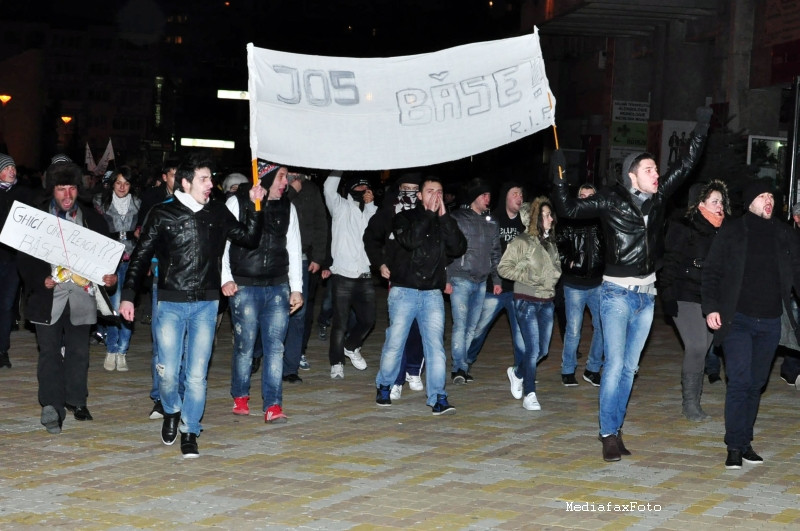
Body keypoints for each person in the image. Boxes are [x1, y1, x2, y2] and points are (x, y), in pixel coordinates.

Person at [551, 105, 711, 462]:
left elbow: (685, 166)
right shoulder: (610, 199)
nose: (657, 174)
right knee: (615, 364)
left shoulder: (657, 201)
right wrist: (559, 171)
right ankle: (608, 432)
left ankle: (616, 426)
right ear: (632, 176)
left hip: (646, 297)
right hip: (616, 295)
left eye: (657, 169)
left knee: (629, 368)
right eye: (650, 170)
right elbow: (568, 210)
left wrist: (702, 125)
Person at [119, 153, 265, 458]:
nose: (210, 184)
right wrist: (129, 294)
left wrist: (254, 204)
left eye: (211, 178)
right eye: (204, 179)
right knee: (169, 374)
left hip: (206, 305)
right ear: (185, 183)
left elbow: (249, 238)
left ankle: (191, 429)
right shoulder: (162, 213)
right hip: (171, 303)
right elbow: (141, 256)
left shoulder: (218, 211)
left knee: (197, 374)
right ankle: (172, 409)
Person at [702, 179, 800, 469]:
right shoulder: (732, 231)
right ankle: (734, 444)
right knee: (740, 381)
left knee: (756, 383)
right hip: (738, 320)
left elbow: (797, 273)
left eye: (772, 195)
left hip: (770, 321)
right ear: (749, 201)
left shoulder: (784, 234)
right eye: (762, 195)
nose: (769, 199)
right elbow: (711, 272)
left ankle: (745, 442)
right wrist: (711, 308)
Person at [18, 161, 118, 433]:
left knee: (79, 352)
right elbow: (24, 259)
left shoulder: (93, 219)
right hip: (47, 297)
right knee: (49, 352)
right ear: (52, 190)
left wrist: (111, 278)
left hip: (81, 297)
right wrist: (41, 279)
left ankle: (77, 399)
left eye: (71, 188)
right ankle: (51, 406)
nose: (66, 195)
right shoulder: (37, 219)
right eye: (61, 189)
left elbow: (106, 260)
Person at [374, 176, 466, 414]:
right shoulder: (404, 217)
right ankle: (384, 385)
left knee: (435, 347)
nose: (435, 195)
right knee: (395, 343)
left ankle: (438, 397)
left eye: (440, 191)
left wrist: (444, 217)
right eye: (430, 191)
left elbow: (458, 247)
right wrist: (428, 214)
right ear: (421, 196)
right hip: (404, 291)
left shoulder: (444, 222)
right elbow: (410, 240)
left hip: (432, 294)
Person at [221, 163, 302, 423]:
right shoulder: (238, 202)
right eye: (280, 177)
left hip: (277, 286)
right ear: (265, 178)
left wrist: (296, 288)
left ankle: (273, 405)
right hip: (244, 286)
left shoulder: (288, 208)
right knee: (244, 347)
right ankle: (241, 395)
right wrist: (226, 279)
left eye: (287, 178)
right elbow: (222, 243)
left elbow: (294, 247)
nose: (285, 183)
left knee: (275, 348)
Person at [661, 180, 730, 421]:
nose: (720, 206)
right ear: (700, 204)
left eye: (721, 201)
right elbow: (669, 262)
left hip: (711, 300)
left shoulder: (724, 230)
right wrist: (667, 295)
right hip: (685, 295)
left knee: (705, 348)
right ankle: (690, 403)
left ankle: (695, 400)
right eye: (714, 201)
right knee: (697, 346)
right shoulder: (684, 227)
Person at [364, 172, 425, 399]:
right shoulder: (389, 211)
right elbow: (371, 237)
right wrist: (379, 264)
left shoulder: (426, 211)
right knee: (399, 331)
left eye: (414, 188)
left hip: (424, 280)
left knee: (420, 330)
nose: (409, 193)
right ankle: (396, 379)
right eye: (405, 188)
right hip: (399, 279)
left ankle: (413, 370)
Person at [497, 197, 561, 411]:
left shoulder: (550, 243)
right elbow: (503, 268)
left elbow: (556, 266)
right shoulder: (522, 242)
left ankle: (516, 373)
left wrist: (554, 276)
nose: (551, 219)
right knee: (532, 350)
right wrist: (527, 276)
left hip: (547, 300)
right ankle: (530, 393)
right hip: (526, 300)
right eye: (546, 215)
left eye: (551, 215)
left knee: (542, 350)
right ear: (535, 218)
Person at [465, 182, 526, 373]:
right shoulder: (492, 219)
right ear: (505, 197)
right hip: (495, 286)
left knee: (521, 334)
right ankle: (464, 364)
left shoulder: (526, 222)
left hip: (519, 287)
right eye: (515, 193)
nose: (519, 198)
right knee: (479, 328)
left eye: (521, 194)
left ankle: (521, 372)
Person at [447, 178, 502, 383]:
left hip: (481, 281)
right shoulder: (458, 218)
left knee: (471, 327)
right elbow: (448, 250)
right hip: (460, 278)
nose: (488, 199)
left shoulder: (492, 222)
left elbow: (496, 253)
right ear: (474, 198)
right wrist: (446, 279)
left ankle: (463, 366)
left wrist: (496, 280)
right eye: (483, 195)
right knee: (460, 325)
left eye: (489, 195)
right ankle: (457, 369)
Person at [323, 171, 377, 379]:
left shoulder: (372, 210)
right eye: (358, 188)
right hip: (343, 275)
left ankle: (351, 346)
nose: (362, 191)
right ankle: (336, 363)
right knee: (340, 323)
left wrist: (371, 205)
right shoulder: (339, 206)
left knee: (368, 320)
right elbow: (329, 187)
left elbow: (375, 232)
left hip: (364, 275)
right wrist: (341, 164)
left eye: (366, 188)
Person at [138, 158, 179, 420]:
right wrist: (153, 262)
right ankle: (160, 397)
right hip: (162, 280)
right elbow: (149, 239)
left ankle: (181, 395)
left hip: (191, 284)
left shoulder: (203, 206)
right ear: (166, 177)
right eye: (173, 175)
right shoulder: (158, 204)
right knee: (161, 341)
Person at [555, 183, 605, 387]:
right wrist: (569, 262)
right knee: (573, 329)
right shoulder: (568, 220)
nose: (585, 199)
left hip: (598, 283)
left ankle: (592, 369)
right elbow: (557, 246)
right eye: (581, 195)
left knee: (602, 327)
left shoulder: (603, 221)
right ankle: (568, 369)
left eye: (589, 196)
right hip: (574, 284)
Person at [92, 166, 141, 372]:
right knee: (112, 304)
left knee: (127, 305)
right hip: (109, 259)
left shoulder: (138, 203)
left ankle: (122, 350)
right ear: (113, 183)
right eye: (119, 182)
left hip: (132, 258)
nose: (122, 187)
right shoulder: (100, 203)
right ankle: (111, 348)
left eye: (126, 183)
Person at [283, 170, 328, 381]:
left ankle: (291, 366)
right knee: (271, 310)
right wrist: (291, 191)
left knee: (299, 313)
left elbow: (321, 224)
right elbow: (274, 212)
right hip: (275, 260)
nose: (293, 175)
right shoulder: (277, 186)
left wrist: (318, 257)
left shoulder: (311, 189)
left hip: (302, 259)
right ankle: (258, 354)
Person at [0, 153, 33, 369]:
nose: (12, 170)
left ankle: (2, 350)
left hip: (12, 260)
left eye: (13, 166)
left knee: (6, 305)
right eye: (7, 167)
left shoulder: (24, 194)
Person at [778, 202, 800, 389]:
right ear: (796, 218)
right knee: (794, 331)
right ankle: (790, 370)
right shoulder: (790, 236)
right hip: (793, 293)